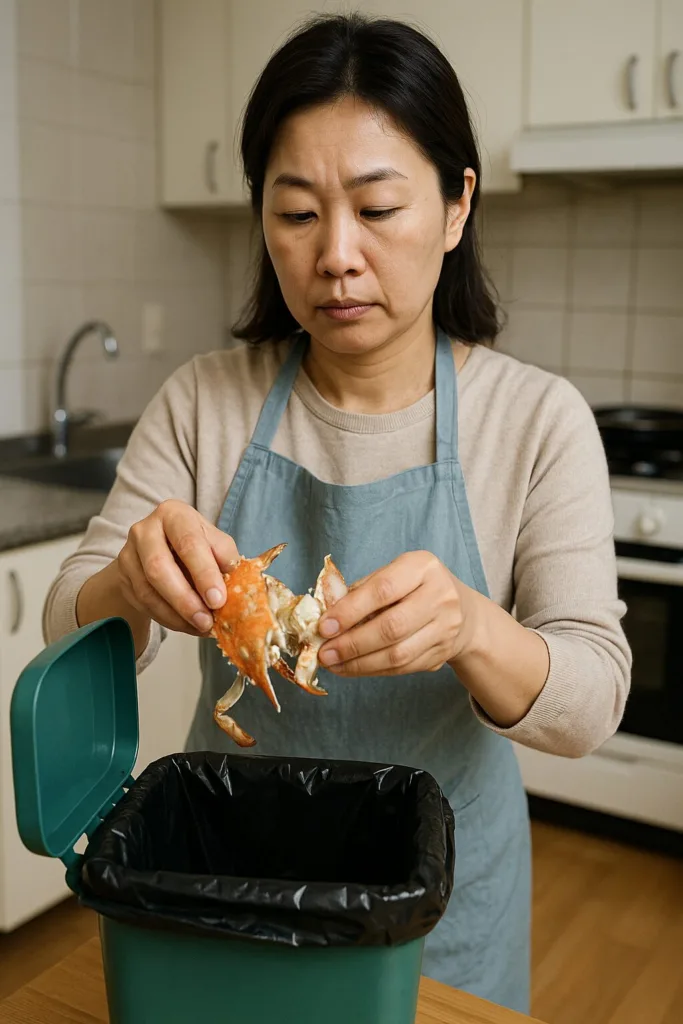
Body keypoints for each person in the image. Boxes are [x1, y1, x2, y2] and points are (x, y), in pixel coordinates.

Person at [43, 12, 631, 1014]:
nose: (336, 255)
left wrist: (472, 627)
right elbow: (66, 627)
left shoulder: (535, 421)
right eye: (297, 212)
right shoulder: (203, 401)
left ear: (454, 207)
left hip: (437, 913)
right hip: (224, 890)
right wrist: (125, 579)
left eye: (376, 206)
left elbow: (591, 701)